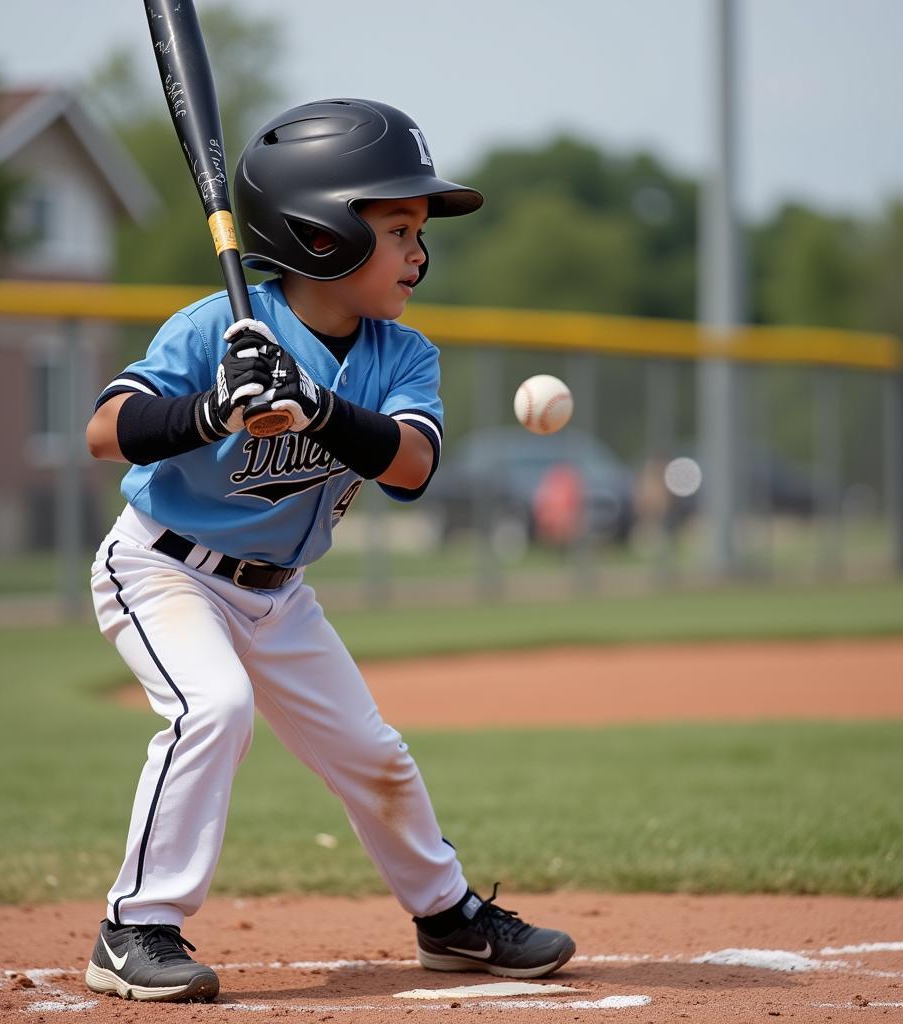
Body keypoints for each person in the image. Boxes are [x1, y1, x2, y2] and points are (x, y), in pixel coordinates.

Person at [82, 98, 576, 1003]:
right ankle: (135, 927)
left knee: (370, 750)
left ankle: (449, 919)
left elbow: (412, 466)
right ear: (320, 236)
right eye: (397, 229)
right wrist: (209, 411)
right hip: (163, 567)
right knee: (214, 706)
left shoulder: (403, 354)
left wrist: (313, 404)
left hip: (281, 593)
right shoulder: (210, 331)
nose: (419, 253)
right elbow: (105, 430)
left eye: (419, 231)